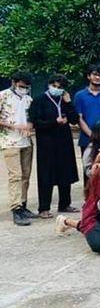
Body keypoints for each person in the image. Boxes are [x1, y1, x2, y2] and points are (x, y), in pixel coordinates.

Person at [29, 74, 80, 218]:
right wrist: (54, 122)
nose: (57, 89)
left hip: (64, 141)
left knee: (65, 172)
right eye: (54, 86)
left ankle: (64, 204)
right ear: (49, 85)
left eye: (60, 87)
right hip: (46, 143)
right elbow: (35, 122)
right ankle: (44, 208)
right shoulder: (39, 100)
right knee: (46, 174)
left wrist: (69, 103)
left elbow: (74, 119)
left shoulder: (64, 100)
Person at [0, 71, 36, 225]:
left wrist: (29, 127)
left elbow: (31, 118)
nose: (24, 89)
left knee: (26, 175)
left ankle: (23, 204)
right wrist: (14, 126)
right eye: (22, 86)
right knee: (15, 175)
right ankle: (16, 208)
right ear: (14, 82)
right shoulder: (3, 96)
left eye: (27, 87)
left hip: (26, 141)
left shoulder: (29, 99)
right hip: (9, 142)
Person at [74, 65, 100, 163]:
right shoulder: (79, 96)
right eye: (94, 74)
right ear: (89, 76)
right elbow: (79, 118)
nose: (97, 77)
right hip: (86, 139)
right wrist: (92, 135)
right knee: (87, 168)